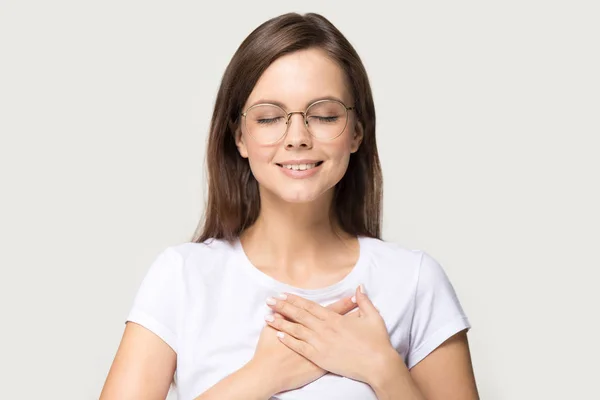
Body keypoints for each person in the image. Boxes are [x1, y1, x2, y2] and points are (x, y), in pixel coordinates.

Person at [100, 12, 479, 400]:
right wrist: (260, 377)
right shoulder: (182, 278)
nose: (297, 137)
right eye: (269, 118)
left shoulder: (414, 281)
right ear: (240, 138)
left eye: (324, 115)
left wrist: (381, 367)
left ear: (356, 132)